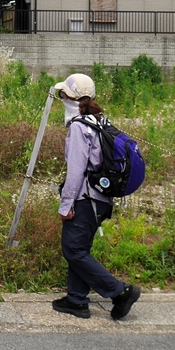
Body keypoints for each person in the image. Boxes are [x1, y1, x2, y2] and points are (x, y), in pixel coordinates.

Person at [52, 73, 141, 320]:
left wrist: (66, 204)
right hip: (101, 199)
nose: (61, 99)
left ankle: (120, 292)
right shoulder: (99, 121)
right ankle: (76, 300)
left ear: (68, 98)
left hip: (85, 199)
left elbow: (76, 170)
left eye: (62, 95)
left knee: (73, 250)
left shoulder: (80, 127)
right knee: (79, 248)